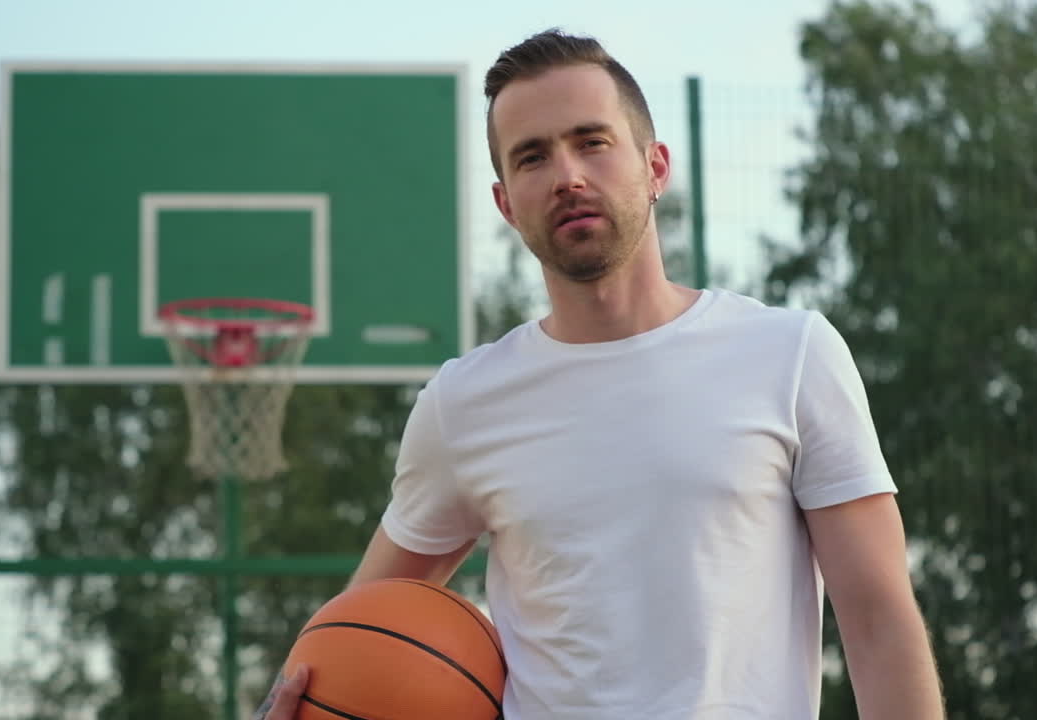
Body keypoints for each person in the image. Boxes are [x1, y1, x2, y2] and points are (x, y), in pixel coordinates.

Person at [258, 28, 946, 720]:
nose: (567, 176)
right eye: (533, 157)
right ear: (506, 204)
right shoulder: (463, 403)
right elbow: (359, 628)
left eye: (592, 141)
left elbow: (879, 620)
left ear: (655, 167)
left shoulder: (791, 354)